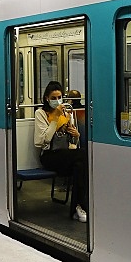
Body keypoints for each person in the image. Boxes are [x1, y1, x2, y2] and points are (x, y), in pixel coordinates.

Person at [34, 81, 88, 223]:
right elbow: (42, 141)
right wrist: (55, 119)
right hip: (49, 155)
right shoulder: (40, 114)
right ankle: (80, 206)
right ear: (46, 98)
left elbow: (73, 143)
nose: (57, 100)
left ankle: (77, 206)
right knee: (83, 157)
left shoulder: (67, 114)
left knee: (80, 165)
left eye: (59, 97)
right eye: (53, 97)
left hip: (67, 154)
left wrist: (76, 135)